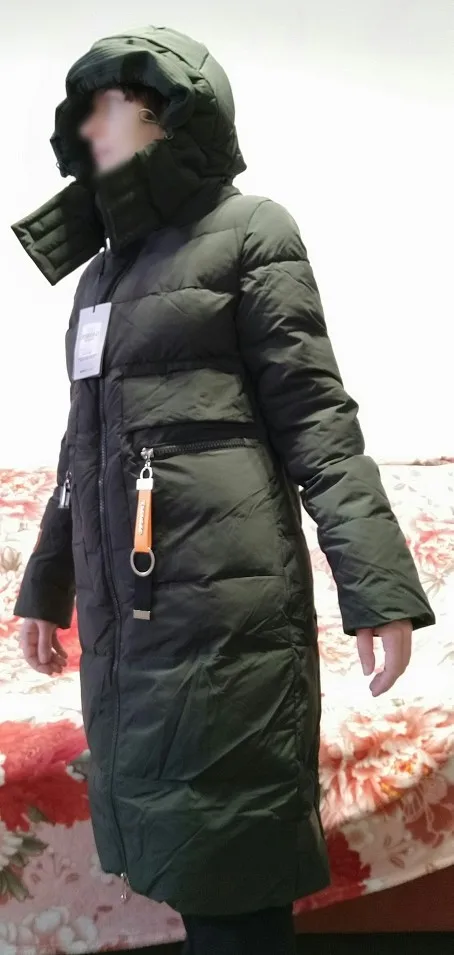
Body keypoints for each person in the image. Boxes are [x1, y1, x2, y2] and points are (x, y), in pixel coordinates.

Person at [12, 26, 435, 955]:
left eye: (114, 107)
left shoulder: (251, 232)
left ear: (175, 117)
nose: (92, 127)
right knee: (169, 838)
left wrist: (376, 589)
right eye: (86, 112)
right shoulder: (99, 277)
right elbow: (83, 446)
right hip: (130, 622)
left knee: (232, 863)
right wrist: (45, 584)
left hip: (225, 615)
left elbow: (316, 419)